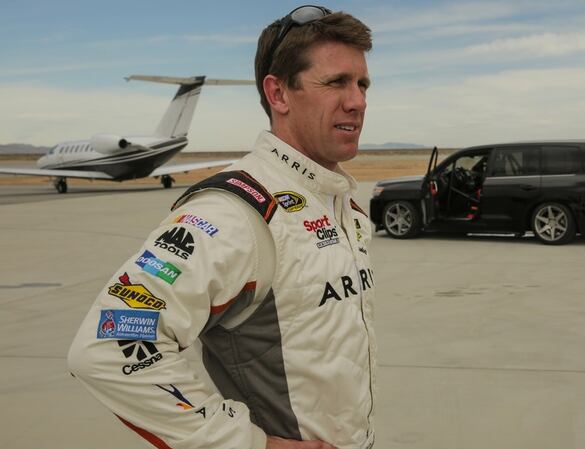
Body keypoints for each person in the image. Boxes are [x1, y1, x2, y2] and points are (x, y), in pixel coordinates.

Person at [67, 5, 376, 449]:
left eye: (362, 83)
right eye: (335, 82)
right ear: (279, 94)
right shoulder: (232, 214)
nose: (358, 101)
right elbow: (107, 348)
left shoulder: (339, 202)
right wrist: (248, 444)